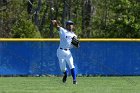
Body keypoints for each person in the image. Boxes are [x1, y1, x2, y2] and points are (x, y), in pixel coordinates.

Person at [51, 20, 79, 84]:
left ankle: (74, 80)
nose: (70, 26)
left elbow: (77, 46)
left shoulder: (74, 35)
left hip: (68, 52)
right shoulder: (63, 30)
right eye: (69, 24)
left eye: (71, 24)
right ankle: (65, 74)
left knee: (72, 65)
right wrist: (55, 22)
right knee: (62, 68)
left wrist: (77, 44)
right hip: (60, 51)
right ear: (66, 26)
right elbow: (57, 26)